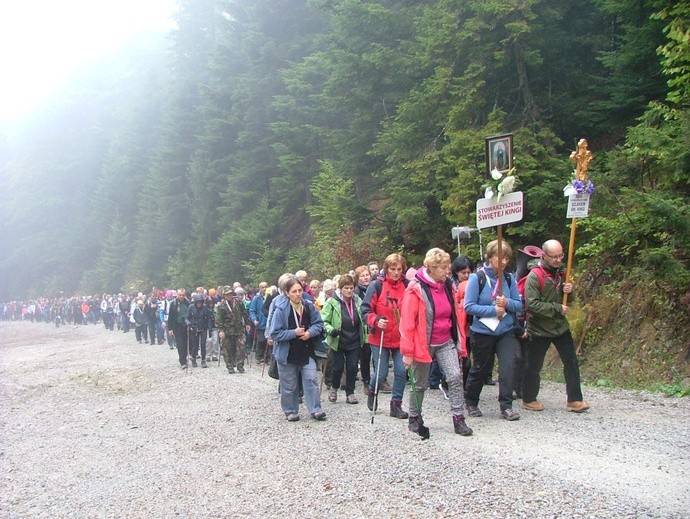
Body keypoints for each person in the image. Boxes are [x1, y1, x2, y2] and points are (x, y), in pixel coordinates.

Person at [400, 248, 473, 436]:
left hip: (445, 339)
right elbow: (407, 322)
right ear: (430, 268)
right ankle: (415, 417)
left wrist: (460, 343)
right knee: (419, 383)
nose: (446, 271)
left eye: (447, 267)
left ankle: (459, 418)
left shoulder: (448, 285)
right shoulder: (415, 288)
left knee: (455, 376)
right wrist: (407, 352)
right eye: (442, 267)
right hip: (423, 342)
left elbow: (456, 315)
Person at [521, 240, 590, 413]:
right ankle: (528, 398)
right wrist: (557, 308)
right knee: (534, 365)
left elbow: (570, 302)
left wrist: (569, 292)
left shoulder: (562, 273)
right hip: (539, 329)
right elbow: (532, 305)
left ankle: (574, 400)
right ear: (544, 256)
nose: (558, 260)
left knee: (571, 362)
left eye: (561, 256)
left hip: (560, 327)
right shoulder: (534, 276)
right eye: (554, 257)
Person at [464, 240, 523, 421]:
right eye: (499, 257)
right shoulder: (477, 278)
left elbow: (519, 305)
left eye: (506, 257)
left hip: (504, 330)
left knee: (508, 366)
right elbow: (469, 306)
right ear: (490, 257)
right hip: (483, 331)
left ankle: (506, 406)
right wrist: (492, 310)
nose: (503, 261)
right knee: (481, 368)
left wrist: (507, 303)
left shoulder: (508, 278)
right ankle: (471, 400)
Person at [269, 276, 326, 421]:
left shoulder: (308, 306)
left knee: (311, 379)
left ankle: (316, 409)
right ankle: (290, 411)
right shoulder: (280, 309)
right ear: (287, 293)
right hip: (287, 353)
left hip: (306, 351)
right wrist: (293, 333)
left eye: (300, 290)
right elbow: (274, 333)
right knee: (289, 386)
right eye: (294, 291)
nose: (297, 294)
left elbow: (318, 324)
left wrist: (309, 333)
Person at [362, 253, 409, 420]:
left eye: (399, 269)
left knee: (401, 372)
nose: (396, 272)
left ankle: (396, 404)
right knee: (381, 373)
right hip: (379, 337)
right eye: (392, 269)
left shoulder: (407, 286)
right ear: (386, 269)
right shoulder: (376, 286)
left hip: (400, 337)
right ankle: (373, 391)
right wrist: (375, 320)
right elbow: (365, 310)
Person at [321, 275, 365, 405]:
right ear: (340, 289)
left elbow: (364, 316)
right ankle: (334, 388)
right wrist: (331, 330)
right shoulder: (332, 302)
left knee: (352, 368)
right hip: (338, 340)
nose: (349, 291)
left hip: (354, 339)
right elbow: (323, 320)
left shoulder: (357, 301)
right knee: (338, 367)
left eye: (351, 288)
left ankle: (350, 393)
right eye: (346, 288)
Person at [216, 286, 251, 374]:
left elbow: (245, 313)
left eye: (230, 294)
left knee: (241, 347)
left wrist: (247, 323)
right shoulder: (221, 305)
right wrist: (221, 331)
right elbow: (218, 319)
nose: (229, 296)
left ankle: (240, 365)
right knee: (227, 349)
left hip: (238, 329)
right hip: (227, 330)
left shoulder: (238, 302)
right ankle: (230, 366)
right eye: (227, 294)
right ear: (224, 295)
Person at [353, 265, 373, 387]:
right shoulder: (356, 292)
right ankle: (366, 380)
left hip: (374, 323)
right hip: (363, 327)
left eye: (367, 275)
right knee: (365, 355)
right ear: (358, 278)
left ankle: (381, 379)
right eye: (362, 276)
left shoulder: (375, 287)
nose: (366, 278)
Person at [186, 294, 213, 368]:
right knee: (195, 345)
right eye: (198, 302)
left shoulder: (205, 308)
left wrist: (210, 329)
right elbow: (186, 318)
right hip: (194, 328)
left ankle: (203, 360)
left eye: (200, 302)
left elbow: (209, 318)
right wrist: (188, 323)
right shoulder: (191, 307)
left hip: (203, 328)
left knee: (203, 344)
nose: (199, 304)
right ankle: (193, 358)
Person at [167, 289, 190, 369]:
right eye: (180, 295)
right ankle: (182, 361)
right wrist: (170, 328)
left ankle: (185, 357)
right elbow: (170, 317)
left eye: (183, 295)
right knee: (180, 345)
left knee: (186, 344)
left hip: (186, 326)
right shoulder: (173, 304)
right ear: (177, 295)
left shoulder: (188, 303)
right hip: (177, 326)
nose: (181, 296)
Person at [249, 282, 269, 363]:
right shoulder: (256, 298)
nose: (264, 289)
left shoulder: (270, 297)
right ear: (260, 288)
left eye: (266, 287)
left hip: (269, 323)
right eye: (262, 287)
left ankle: (267, 357)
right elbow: (252, 310)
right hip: (260, 323)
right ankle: (258, 356)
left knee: (269, 341)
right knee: (261, 340)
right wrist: (254, 320)